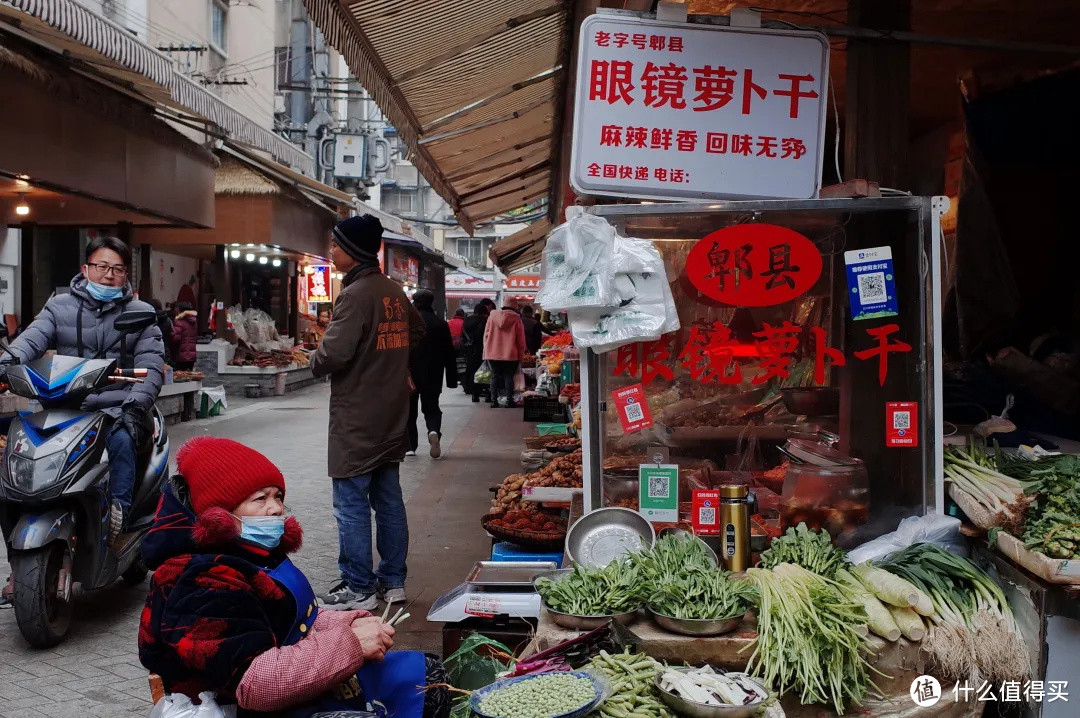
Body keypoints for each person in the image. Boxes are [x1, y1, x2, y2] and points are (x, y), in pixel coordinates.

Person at [138, 437, 450, 718]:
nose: (276, 509)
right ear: (218, 512)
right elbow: (256, 683)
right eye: (260, 499)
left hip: (287, 687)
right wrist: (352, 643)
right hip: (232, 707)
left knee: (426, 676)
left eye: (278, 497)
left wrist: (348, 623)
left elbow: (293, 618)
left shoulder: (250, 551)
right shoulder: (198, 580)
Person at [2, 236, 164, 535]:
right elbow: (32, 339)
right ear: (85, 268)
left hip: (117, 405)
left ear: (126, 274)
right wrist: (6, 362)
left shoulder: (140, 313)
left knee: (122, 439)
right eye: (102, 266)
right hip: (66, 403)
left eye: (118, 269)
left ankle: (119, 510)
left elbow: (152, 366)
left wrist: (136, 403)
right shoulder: (59, 307)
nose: (109, 274)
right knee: (25, 439)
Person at [310, 214, 425, 611]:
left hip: (358, 414)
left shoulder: (356, 294)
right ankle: (393, 581)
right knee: (388, 498)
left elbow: (334, 353)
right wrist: (390, 362)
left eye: (336, 246)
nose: (331, 251)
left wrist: (313, 359)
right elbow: (417, 331)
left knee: (351, 503)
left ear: (354, 251)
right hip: (392, 411)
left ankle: (358, 585)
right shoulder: (392, 289)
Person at [407, 290, 457, 459]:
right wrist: (452, 379)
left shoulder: (408, 322)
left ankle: (410, 446)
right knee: (432, 407)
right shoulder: (440, 323)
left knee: (409, 408)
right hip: (433, 373)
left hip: (410, 373)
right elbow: (449, 352)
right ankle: (433, 430)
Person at [483, 304, 526, 408]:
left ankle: (494, 401)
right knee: (509, 377)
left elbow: (486, 335)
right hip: (510, 353)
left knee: (494, 376)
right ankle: (509, 400)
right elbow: (520, 339)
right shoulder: (516, 318)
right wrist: (521, 355)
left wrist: (486, 352)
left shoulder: (492, 316)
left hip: (493, 353)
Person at [461, 303, 489, 402]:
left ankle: (473, 393)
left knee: (471, 370)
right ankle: (482, 392)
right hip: (480, 349)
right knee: (483, 371)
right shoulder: (484, 320)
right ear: (483, 312)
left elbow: (463, 336)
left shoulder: (466, 320)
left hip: (468, 349)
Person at [170, 301, 198, 371]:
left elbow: (175, 339)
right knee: (189, 376)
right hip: (191, 355)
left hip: (181, 355)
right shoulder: (193, 322)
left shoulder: (179, 322)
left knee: (181, 377)